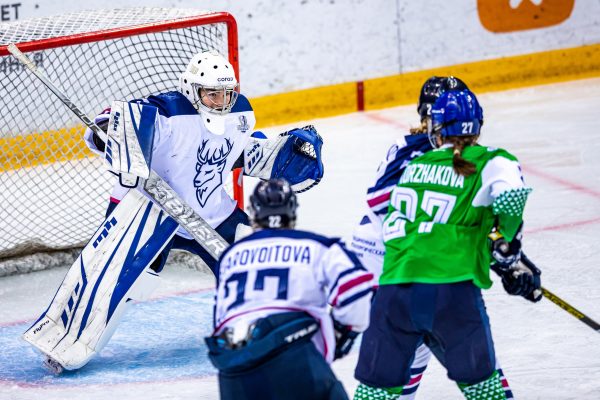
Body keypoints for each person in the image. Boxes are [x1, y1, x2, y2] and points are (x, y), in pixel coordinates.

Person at [352, 89, 541, 400]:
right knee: (485, 389)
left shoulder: (415, 166)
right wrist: (508, 252)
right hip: (451, 294)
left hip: (395, 292)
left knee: (375, 394)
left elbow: (410, 230)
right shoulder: (493, 160)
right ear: (479, 125)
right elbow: (510, 201)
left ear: (435, 130)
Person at [84, 50, 324, 274]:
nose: (222, 101)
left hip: (209, 212)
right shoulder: (168, 113)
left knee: (256, 267)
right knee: (119, 284)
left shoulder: (239, 114)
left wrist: (268, 156)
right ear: (191, 89)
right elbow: (117, 119)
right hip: (145, 211)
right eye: (212, 94)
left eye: (227, 93)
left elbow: (233, 152)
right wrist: (105, 131)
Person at [206, 178, 374, 400]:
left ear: (254, 214)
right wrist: (344, 332)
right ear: (292, 212)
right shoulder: (317, 246)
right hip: (293, 357)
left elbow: (220, 319)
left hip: (232, 362)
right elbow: (357, 288)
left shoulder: (229, 257)